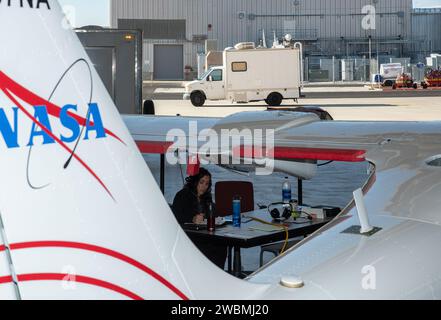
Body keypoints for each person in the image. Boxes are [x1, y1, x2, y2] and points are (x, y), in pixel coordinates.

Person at [172, 168, 227, 269]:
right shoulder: (182, 195)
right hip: (188, 236)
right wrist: (192, 218)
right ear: (195, 181)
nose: (204, 187)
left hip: (204, 234)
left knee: (221, 245)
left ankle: (217, 276)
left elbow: (212, 212)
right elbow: (176, 216)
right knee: (211, 247)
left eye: (207, 184)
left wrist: (215, 215)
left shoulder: (206, 197)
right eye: (201, 182)